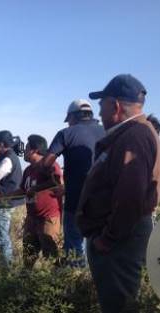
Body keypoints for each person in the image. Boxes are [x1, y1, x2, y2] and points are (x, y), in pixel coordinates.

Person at [76, 74, 160, 313]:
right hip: (116, 234)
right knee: (115, 302)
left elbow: (129, 196)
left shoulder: (134, 137)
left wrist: (108, 238)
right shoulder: (129, 135)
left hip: (120, 238)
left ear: (115, 106)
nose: (99, 111)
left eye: (102, 105)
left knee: (123, 304)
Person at [46, 99, 105, 265]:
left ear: (73, 116)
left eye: (69, 120)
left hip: (75, 201)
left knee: (74, 248)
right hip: (104, 203)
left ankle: (76, 285)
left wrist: (55, 181)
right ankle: (92, 284)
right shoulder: (108, 131)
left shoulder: (66, 133)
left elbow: (46, 163)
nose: (69, 123)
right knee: (98, 247)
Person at [19, 134, 63, 267]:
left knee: (52, 258)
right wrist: (2, 197)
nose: (24, 152)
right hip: (31, 219)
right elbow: (22, 190)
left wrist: (36, 188)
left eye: (27, 148)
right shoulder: (27, 170)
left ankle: (53, 285)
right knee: (28, 256)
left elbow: (58, 182)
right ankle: (25, 283)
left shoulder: (50, 165)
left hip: (48, 220)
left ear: (34, 150)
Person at [0, 130, 24, 265]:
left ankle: (6, 268)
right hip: (2, 201)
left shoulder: (8, 159)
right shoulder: (6, 156)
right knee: (1, 234)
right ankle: (3, 261)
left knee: (2, 237)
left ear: (2, 144)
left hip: (5, 202)